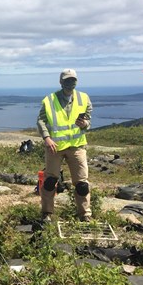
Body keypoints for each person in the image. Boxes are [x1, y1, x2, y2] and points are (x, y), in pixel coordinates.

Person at [36, 69, 93, 222]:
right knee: (49, 182)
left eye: (73, 80)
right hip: (55, 146)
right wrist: (47, 138)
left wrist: (85, 124)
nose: (70, 83)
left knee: (82, 184)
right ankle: (47, 214)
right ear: (61, 82)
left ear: (77, 81)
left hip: (77, 146)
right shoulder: (49, 100)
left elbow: (88, 120)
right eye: (67, 80)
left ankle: (85, 215)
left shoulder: (84, 98)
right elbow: (41, 121)